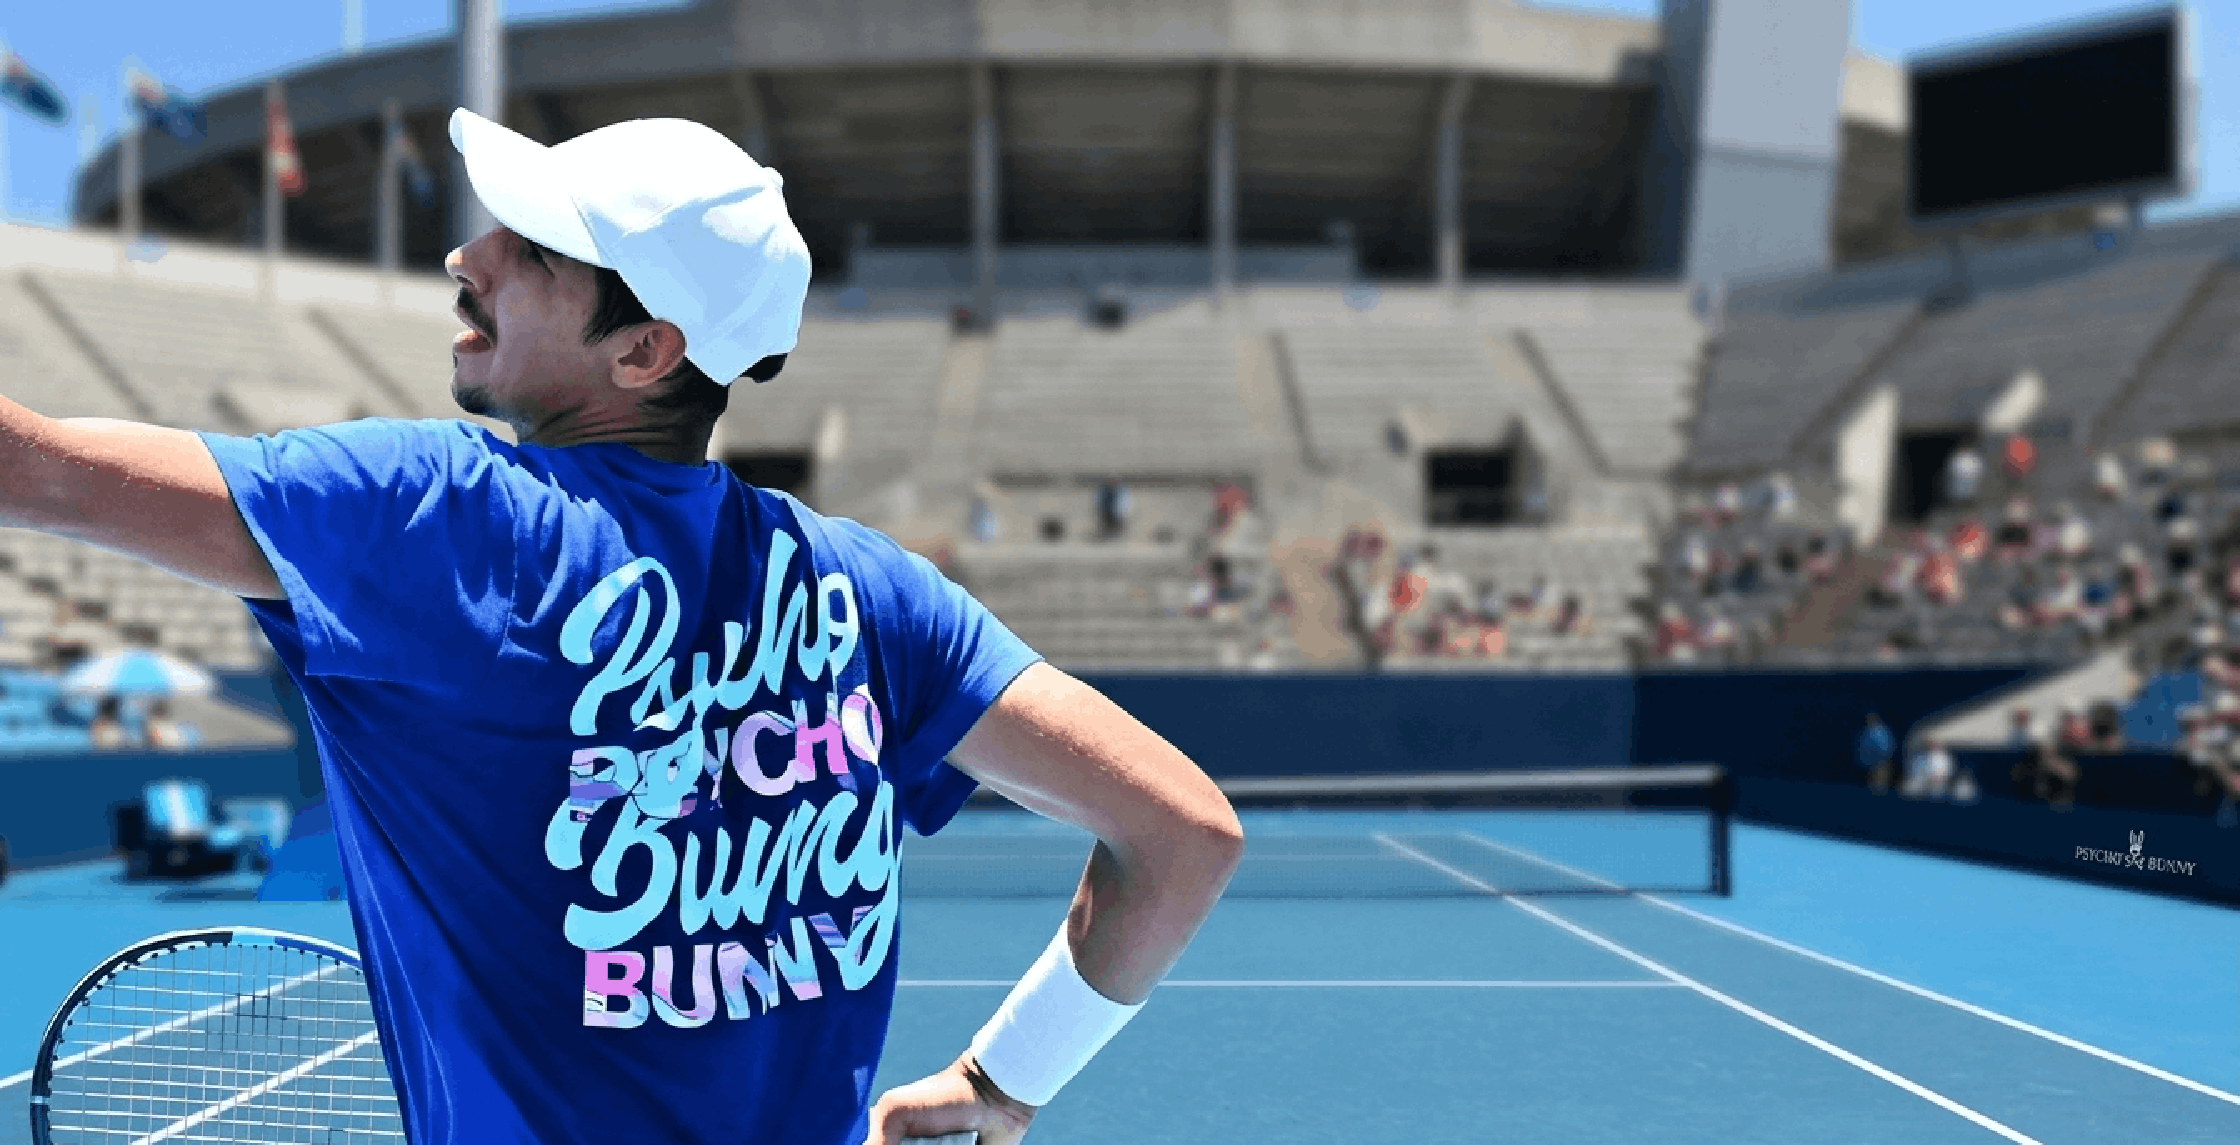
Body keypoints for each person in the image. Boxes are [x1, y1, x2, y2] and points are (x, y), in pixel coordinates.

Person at [0, 110, 1244, 1145]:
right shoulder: (875, 593)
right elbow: (1181, 834)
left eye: (533, 250)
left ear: (645, 350)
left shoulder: (433, 519)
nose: (467, 256)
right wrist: (998, 1083)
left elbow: (34, 472)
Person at [1857, 713, 1896, 792]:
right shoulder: (1866, 732)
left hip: (1882, 762)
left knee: (1880, 786)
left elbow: (1888, 748)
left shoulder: (1883, 731)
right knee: (1873, 785)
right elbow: (1862, 750)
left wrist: (1882, 761)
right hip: (1871, 764)